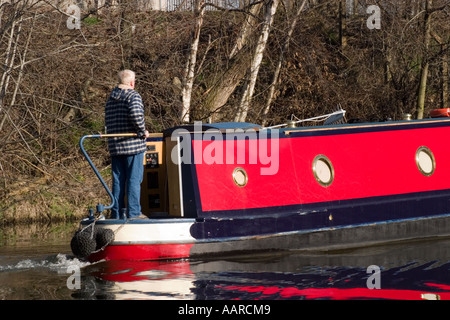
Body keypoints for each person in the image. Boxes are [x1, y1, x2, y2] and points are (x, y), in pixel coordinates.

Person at [105, 70, 149, 219]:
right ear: (132, 82)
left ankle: (116, 213)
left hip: (115, 146)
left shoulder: (111, 98)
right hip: (132, 146)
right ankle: (134, 213)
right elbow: (136, 116)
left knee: (118, 181)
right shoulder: (133, 96)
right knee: (134, 179)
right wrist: (142, 131)